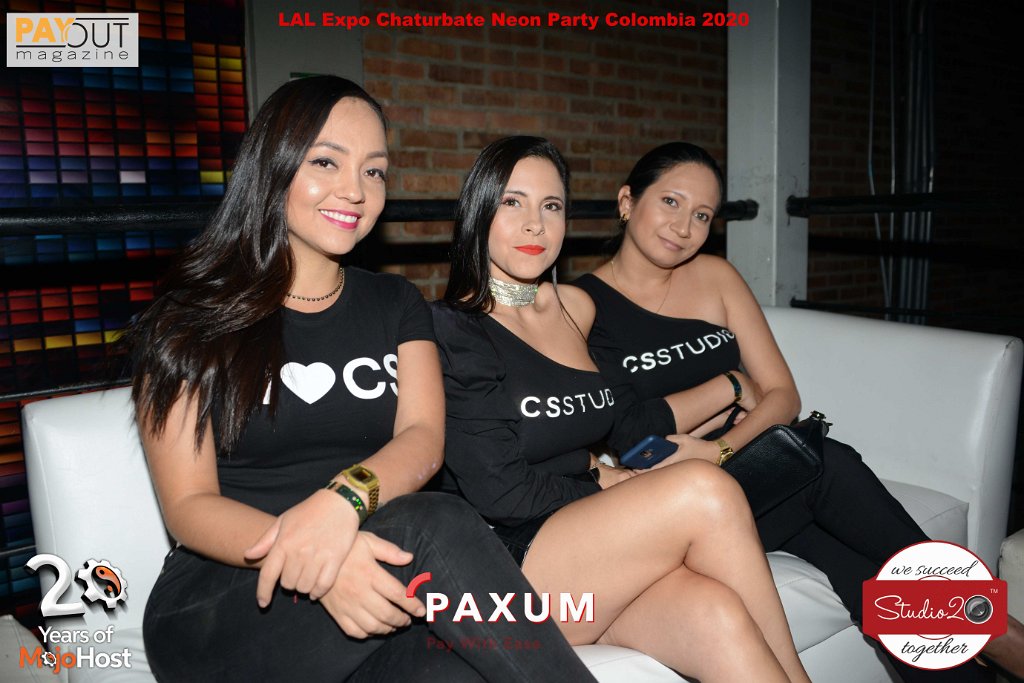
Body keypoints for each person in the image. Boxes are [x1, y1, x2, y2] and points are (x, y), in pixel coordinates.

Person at [123, 77, 598, 682]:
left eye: (374, 171)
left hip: (373, 577)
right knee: (435, 520)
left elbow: (423, 439)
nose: (355, 190)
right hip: (230, 597)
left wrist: (345, 501)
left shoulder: (395, 302)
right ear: (274, 165)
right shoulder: (188, 318)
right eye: (326, 161)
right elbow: (189, 506)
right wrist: (325, 557)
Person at [573, 140, 1024, 682]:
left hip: (752, 468)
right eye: (670, 202)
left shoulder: (715, 277)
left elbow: (785, 396)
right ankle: (996, 629)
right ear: (627, 201)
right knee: (825, 464)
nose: (684, 227)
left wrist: (721, 449)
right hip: (685, 501)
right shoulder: (583, 306)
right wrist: (733, 385)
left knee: (870, 582)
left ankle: (979, 644)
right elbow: (630, 431)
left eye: (702, 215)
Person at [432, 135, 812, 682]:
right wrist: (608, 482)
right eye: (513, 202)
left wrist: (723, 392)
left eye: (551, 206)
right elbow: (502, 493)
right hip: (502, 573)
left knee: (717, 614)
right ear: (479, 209)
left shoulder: (575, 310)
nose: (535, 225)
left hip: (586, 556)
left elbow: (624, 422)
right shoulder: (449, 329)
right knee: (704, 489)